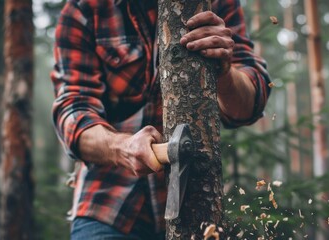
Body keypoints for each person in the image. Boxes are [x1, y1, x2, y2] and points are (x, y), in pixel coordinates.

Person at [51, 0, 271, 239]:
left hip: (197, 202)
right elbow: (72, 114)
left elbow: (248, 106)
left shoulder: (217, 3)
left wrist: (225, 72)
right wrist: (122, 147)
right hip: (107, 201)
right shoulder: (85, 8)